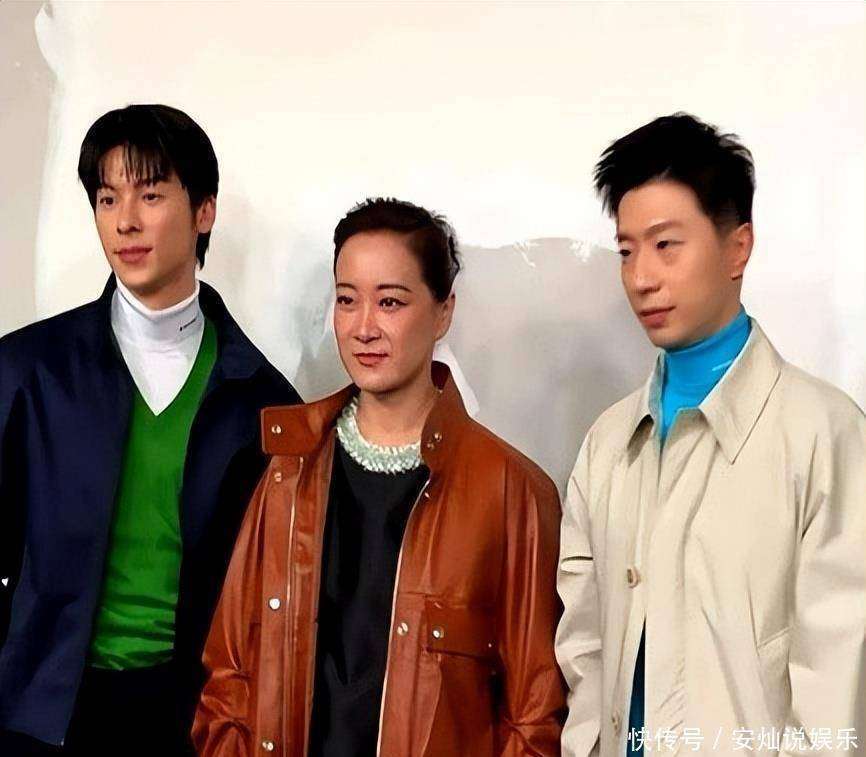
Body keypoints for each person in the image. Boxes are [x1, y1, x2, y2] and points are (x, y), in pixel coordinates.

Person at [194, 197, 566, 755]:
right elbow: (229, 677)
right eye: (347, 300)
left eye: (390, 301)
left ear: (443, 312)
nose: (364, 327)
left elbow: (535, 718)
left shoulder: (511, 490)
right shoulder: (289, 471)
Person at [555, 113, 865, 756]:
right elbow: (583, 651)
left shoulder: (824, 435)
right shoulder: (608, 444)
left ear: (737, 247)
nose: (641, 278)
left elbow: (837, 692)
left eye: (666, 245)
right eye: (626, 251)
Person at [0, 104, 300, 756]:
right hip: (46, 713)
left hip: (189, 717)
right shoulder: (29, 372)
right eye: (107, 198)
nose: (125, 221)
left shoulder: (262, 400)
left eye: (151, 194)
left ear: (204, 211)